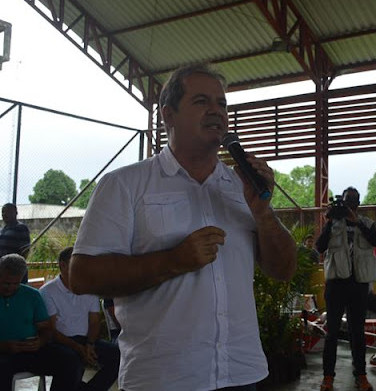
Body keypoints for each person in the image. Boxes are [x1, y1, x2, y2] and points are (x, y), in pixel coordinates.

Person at [68, 64, 297, 391]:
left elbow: (284, 270)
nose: (216, 111)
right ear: (168, 115)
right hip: (163, 379)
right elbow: (82, 276)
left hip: (242, 373)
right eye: (201, 101)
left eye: (221, 104)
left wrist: (263, 213)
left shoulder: (242, 186)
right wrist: (173, 260)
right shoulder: (125, 184)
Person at [316, 186, 376, 391]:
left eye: (353, 200)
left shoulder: (367, 223)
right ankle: (328, 377)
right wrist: (329, 221)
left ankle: (361, 375)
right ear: (341, 202)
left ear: (358, 203)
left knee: (357, 332)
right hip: (336, 284)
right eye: (346, 200)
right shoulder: (333, 223)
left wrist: (357, 222)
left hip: (358, 285)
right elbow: (320, 246)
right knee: (332, 332)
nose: (350, 203)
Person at [40, 247, 120, 391]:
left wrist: (89, 344)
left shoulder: (89, 287)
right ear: (63, 265)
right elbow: (51, 330)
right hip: (59, 342)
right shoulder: (47, 291)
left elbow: (94, 322)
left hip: (85, 340)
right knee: (71, 359)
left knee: (117, 355)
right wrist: (79, 348)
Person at [0, 254, 83, 391]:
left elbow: (45, 328)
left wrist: (40, 342)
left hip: (31, 351)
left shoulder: (32, 295)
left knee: (70, 361)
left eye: (16, 284)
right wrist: (5, 346)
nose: (11, 288)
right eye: (6, 283)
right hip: (3, 353)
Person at [0, 203, 31, 283]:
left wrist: (17, 267)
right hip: (3, 270)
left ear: (16, 213)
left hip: (15, 271)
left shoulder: (21, 228)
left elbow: (25, 250)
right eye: (3, 212)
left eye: (8, 211)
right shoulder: (2, 230)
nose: (4, 214)